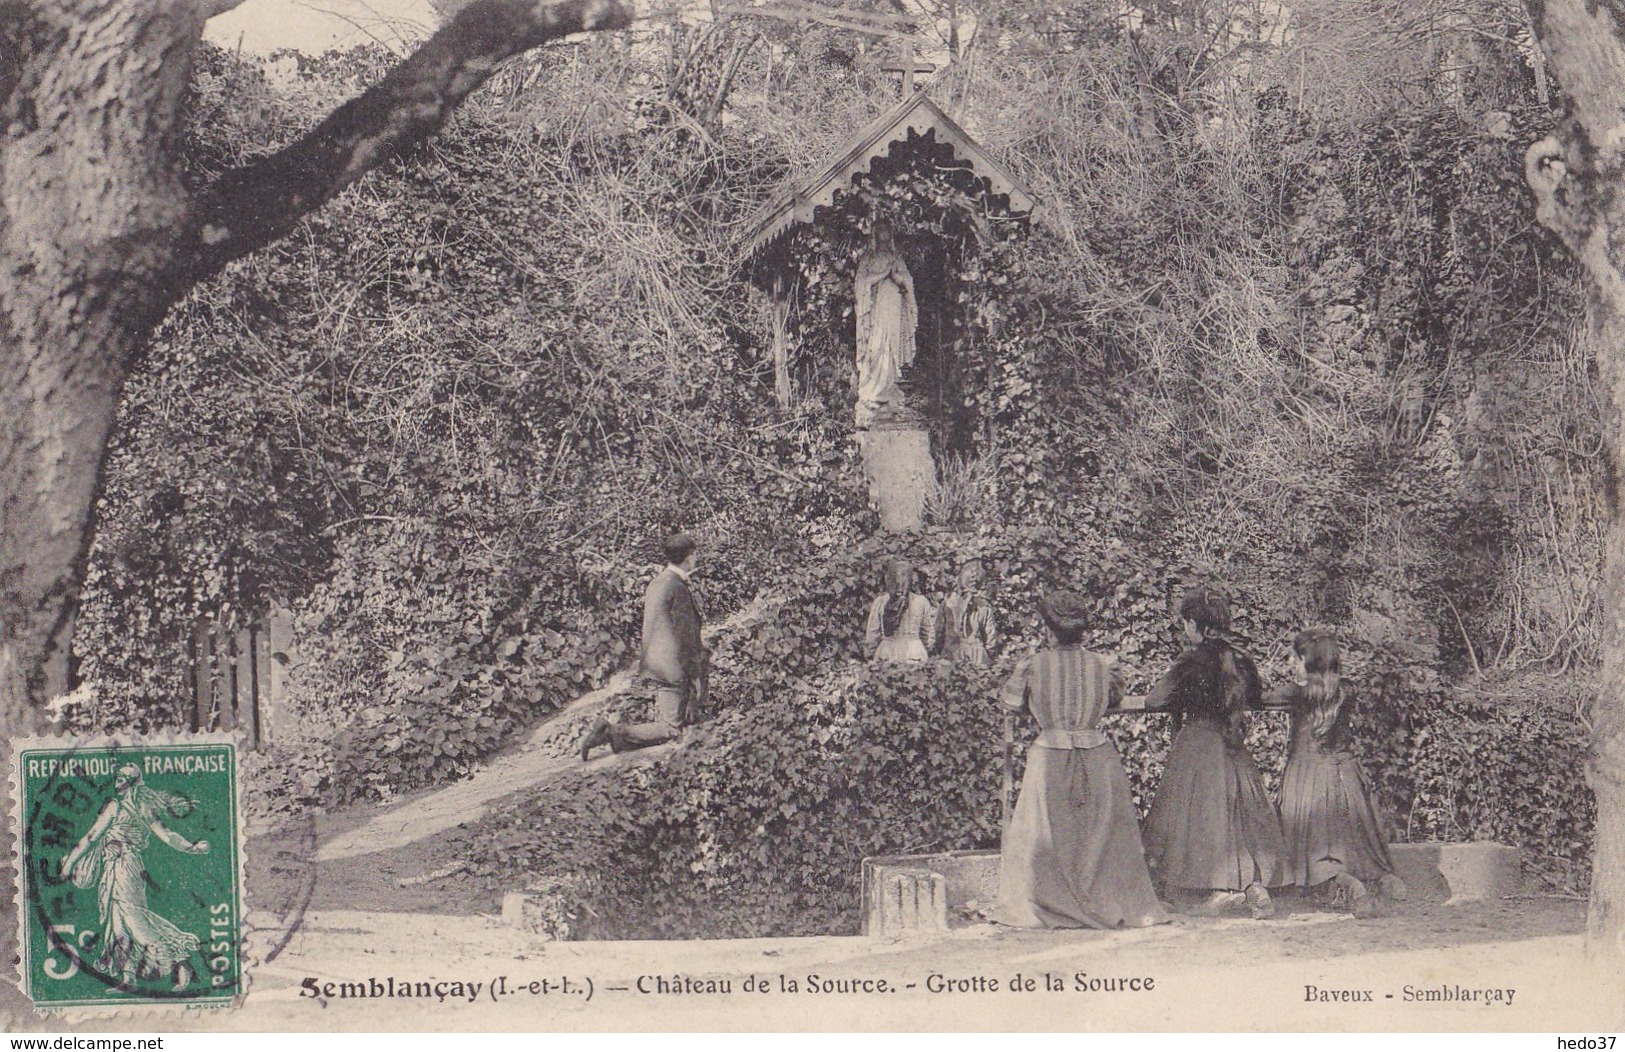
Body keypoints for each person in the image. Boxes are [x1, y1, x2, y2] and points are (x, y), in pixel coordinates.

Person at [996, 591, 1166, 929]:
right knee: (1098, 834)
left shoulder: (1032, 666)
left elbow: (1010, 703)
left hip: (1051, 758)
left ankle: (1053, 902)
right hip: (1098, 757)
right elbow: (1114, 698)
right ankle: (1103, 900)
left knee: (1050, 835)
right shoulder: (1103, 666)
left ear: (1048, 629)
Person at [1142, 588, 1286, 918]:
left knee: (1194, 821)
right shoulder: (1240, 660)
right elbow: (1257, 698)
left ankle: (1212, 892)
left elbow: (1155, 701)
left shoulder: (1190, 661)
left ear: (1194, 624)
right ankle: (1253, 885)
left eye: (1184, 624)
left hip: (1198, 746)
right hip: (1233, 746)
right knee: (1240, 820)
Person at [1268, 628, 1408, 916]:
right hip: (1346, 775)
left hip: (1308, 776)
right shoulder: (1348, 691)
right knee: (1353, 840)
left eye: (1295, 658)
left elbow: (1258, 699)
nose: (1291, 664)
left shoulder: (1296, 694)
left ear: (1306, 659)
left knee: (1316, 847)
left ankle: (1347, 886)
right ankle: (1384, 880)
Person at [60, 764, 208, 990]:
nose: (116, 780)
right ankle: (128, 978)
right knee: (117, 924)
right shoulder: (124, 806)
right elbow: (92, 837)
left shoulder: (121, 807)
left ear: (130, 781)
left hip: (126, 867)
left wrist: (192, 848)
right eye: (117, 776)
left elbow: (167, 836)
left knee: (135, 922)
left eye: (121, 777)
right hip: (113, 868)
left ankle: (181, 960)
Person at [580, 532, 708, 760]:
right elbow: (685, 636)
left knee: (681, 716)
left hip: (655, 664)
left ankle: (616, 734)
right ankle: (612, 732)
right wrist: (695, 672)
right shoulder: (678, 587)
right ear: (689, 557)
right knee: (671, 728)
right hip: (673, 667)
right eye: (694, 555)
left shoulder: (657, 583)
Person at [853, 220, 918, 427]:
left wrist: (898, 278)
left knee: (891, 347)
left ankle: (889, 388)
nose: (883, 236)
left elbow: (907, 281)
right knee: (875, 345)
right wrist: (883, 275)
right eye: (879, 232)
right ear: (874, 235)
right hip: (875, 309)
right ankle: (872, 392)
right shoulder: (868, 258)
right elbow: (861, 283)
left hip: (893, 307)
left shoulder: (896, 258)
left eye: (886, 232)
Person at [864, 557, 936, 662]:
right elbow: (928, 634)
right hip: (914, 652)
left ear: (889, 579)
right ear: (911, 579)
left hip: (887, 652)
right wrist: (925, 647)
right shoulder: (921, 601)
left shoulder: (880, 602)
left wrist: (872, 651)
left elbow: (872, 636)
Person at [941, 558, 997, 667]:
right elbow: (991, 640)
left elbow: (938, 632)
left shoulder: (947, 603)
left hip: (952, 652)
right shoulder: (984, 606)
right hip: (977, 655)